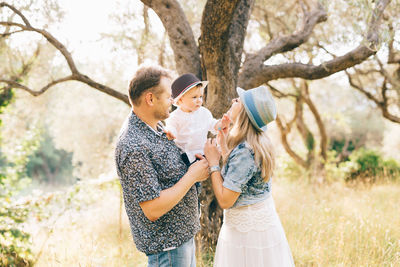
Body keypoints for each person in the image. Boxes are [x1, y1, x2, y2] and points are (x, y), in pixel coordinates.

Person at [115, 65, 210, 267]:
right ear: (150, 99)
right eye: (169, 97)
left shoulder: (157, 128)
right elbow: (153, 208)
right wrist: (192, 176)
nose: (173, 102)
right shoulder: (133, 146)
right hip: (167, 249)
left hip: (181, 239)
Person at [204, 86, 295, 267]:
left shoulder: (246, 151)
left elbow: (225, 200)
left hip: (248, 234)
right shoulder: (257, 141)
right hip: (257, 225)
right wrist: (224, 151)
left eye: (238, 101)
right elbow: (241, 176)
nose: (233, 101)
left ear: (244, 113)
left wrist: (214, 163)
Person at [165, 73, 230, 163]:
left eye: (200, 96)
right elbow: (171, 127)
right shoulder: (175, 117)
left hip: (201, 153)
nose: (199, 100)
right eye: (194, 97)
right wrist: (170, 133)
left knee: (205, 168)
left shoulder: (204, 113)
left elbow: (213, 125)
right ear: (180, 100)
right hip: (183, 155)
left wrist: (221, 125)